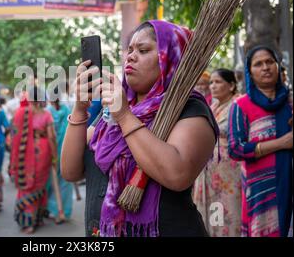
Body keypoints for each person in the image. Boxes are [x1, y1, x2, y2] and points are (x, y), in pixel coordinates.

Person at [61, 20, 218, 237]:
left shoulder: (189, 108)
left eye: (143, 50)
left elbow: (177, 174)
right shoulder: (115, 109)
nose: (131, 57)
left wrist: (125, 116)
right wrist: (79, 108)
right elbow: (70, 171)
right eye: (130, 50)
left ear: (171, 58)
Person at [228, 45, 293, 237]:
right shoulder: (241, 106)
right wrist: (281, 143)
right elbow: (235, 148)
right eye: (258, 64)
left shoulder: (291, 102)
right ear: (249, 72)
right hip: (262, 191)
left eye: (270, 62)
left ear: (278, 66)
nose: (265, 67)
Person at [193, 68, 241, 236]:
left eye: (218, 82)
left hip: (229, 171)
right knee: (213, 211)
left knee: (228, 209)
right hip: (209, 170)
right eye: (211, 82)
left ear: (231, 85)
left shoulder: (237, 105)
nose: (213, 86)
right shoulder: (212, 106)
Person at [9, 87, 58, 234]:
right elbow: (51, 137)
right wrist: (55, 156)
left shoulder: (20, 113)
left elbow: (14, 136)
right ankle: (37, 219)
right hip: (43, 151)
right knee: (39, 185)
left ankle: (28, 222)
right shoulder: (46, 114)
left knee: (27, 185)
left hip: (25, 152)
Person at [47, 96, 73, 222]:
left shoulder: (47, 111)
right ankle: (64, 211)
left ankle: (53, 209)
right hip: (66, 150)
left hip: (51, 152)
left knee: (51, 181)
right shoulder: (67, 110)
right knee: (65, 182)